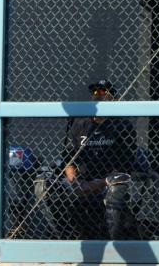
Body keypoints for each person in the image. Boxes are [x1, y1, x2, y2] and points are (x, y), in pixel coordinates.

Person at [63, 80, 149, 240]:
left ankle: (112, 243)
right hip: (81, 181)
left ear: (113, 99)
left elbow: (123, 168)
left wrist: (96, 184)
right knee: (50, 186)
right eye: (95, 93)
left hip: (108, 182)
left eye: (103, 92)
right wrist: (75, 183)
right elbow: (69, 161)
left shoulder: (123, 127)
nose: (98, 96)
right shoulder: (80, 124)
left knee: (115, 188)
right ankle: (66, 239)